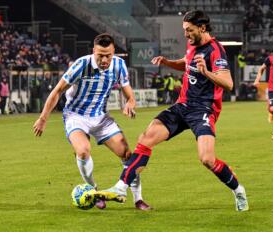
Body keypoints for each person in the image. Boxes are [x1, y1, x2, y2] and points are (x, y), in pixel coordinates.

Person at [93, 10, 249, 212]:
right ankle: (121, 188)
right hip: (182, 105)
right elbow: (187, 63)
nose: (186, 34)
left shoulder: (215, 51)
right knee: (146, 137)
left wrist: (206, 72)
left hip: (203, 109)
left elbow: (228, 83)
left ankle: (238, 191)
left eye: (189, 30)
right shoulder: (193, 44)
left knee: (207, 159)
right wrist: (167, 62)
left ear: (202, 28)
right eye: (185, 30)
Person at [33, 33, 151, 210]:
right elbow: (57, 90)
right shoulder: (81, 65)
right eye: (100, 55)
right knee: (83, 151)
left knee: (127, 154)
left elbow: (129, 94)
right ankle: (93, 191)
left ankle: (138, 199)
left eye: (108, 55)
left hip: (101, 117)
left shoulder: (119, 65)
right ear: (93, 51)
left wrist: (130, 103)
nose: (104, 59)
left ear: (113, 52)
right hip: (76, 115)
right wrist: (43, 118)